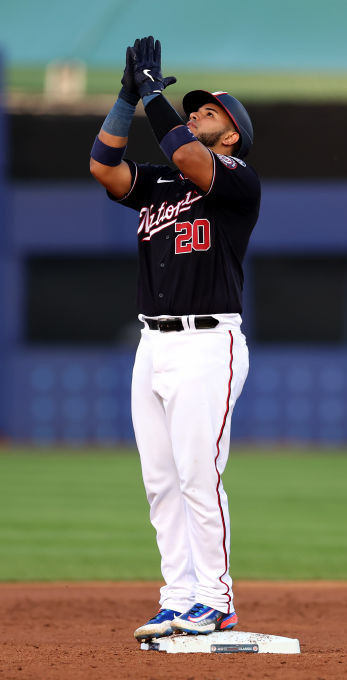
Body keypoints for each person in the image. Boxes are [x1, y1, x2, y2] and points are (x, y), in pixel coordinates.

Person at [88, 37, 260, 641]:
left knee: (196, 473)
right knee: (160, 479)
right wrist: (124, 98)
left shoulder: (236, 182)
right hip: (153, 345)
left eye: (208, 113)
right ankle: (179, 596)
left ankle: (216, 599)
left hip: (208, 343)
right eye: (191, 111)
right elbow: (104, 168)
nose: (194, 117)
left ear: (231, 135)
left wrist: (154, 94)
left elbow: (190, 159)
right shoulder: (163, 183)